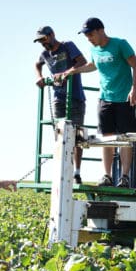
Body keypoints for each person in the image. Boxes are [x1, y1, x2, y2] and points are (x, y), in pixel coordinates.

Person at [59, 17, 136, 187]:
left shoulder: (120, 44)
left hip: (124, 98)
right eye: (86, 35)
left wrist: (134, 89)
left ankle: (124, 177)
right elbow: (91, 65)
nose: (88, 38)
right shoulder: (94, 50)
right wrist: (71, 71)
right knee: (107, 137)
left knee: (125, 138)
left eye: (90, 34)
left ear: (100, 30)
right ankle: (107, 175)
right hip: (105, 99)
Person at [34, 25, 88, 184]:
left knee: (77, 135)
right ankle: (61, 170)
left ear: (52, 35)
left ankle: (76, 173)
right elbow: (37, 64)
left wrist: (66, 73)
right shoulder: (44, 54)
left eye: (44, 39)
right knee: (60, 135)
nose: (43, 43)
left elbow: (82, 61)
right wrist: (39, 77)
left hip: (76, 97)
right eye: (40, 41)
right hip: (58, 98)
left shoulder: (67, 46)